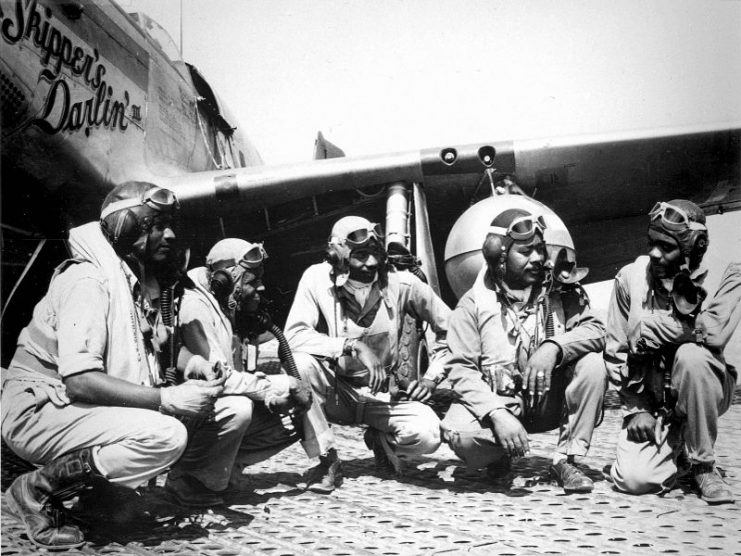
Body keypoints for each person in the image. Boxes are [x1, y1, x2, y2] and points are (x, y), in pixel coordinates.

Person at [0, 181, 224, 550]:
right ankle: (36, 489)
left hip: (63, 407)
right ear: (126, 225)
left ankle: (100, 498)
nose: (169, 234)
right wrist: (168, 398)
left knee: (186, 416)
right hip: (36, 409)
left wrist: (193, 363)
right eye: (156, 224)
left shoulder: (125, 281)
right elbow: (81, 382)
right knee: (165, 434)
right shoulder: (90, 281)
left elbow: (151, 345)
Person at [438, 208, 607, 493]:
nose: (538, 258)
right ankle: (498, 457)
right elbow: (460, 369)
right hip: (501, 403)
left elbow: (597, 330)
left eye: (540, 250)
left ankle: (567, 460)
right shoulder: (472, 305)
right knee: (461, 437)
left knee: (592, 364)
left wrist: (554, 347)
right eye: (526, 252)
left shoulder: (560, 290)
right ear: (500, 258)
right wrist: (496, 414)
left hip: (547, 400)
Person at [284, 216, 449, 488]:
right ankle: (327, 460)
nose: (370, 263)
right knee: (300, 365)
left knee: (428, 435)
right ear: (336, 255)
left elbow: (453, 329)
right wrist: (350, 346)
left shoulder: (402, 283)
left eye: (375, 254)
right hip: (334, 391)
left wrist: (432, 377)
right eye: (360, 255)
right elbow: (293, 336)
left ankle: (382, 438)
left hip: (381, 392)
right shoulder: (315, 279)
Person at [166, 238, 319, 506]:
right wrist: (277, 386)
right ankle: (185, 477)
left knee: (294, 411)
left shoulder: (224, 302)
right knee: (239, 407)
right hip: (186, 411)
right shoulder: (196, 308)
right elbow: (219, 379)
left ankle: (219, 471)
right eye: (251, 281)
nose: (259, 287)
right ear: (225, 280)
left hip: (208, 410)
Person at [605, 199, 737, 504]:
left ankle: (703, 465)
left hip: (706, 385)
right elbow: (616, 350)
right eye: (652, 243)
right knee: (635, 481)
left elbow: (714, 332)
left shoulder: (726, 275)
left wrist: (650, 330)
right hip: (651, 398)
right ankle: (675, 456)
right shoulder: (630, 278)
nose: (654, 253)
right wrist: (637, 408)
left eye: (666, 247)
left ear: (694, 249)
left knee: (692, 357)